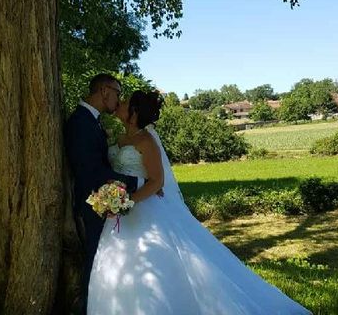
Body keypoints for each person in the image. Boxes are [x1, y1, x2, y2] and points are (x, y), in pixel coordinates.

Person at [87, 90, 311, 315]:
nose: (120, 103)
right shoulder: (118, 137)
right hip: (119, 213)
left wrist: (127, 201)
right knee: (120, 266)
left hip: (142, 208)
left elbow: (157, 181)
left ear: (133, 113)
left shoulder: (146, 140)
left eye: (125, 102)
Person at [65, 74, 141, 314]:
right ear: (104, 90)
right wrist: (138, 181)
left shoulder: (92, 120)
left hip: (102, 201)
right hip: (92, 204)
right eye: (117, 93)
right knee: (96, 262)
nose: (118, 100)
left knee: (107, 262)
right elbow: (91, 172)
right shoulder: (80, 122)